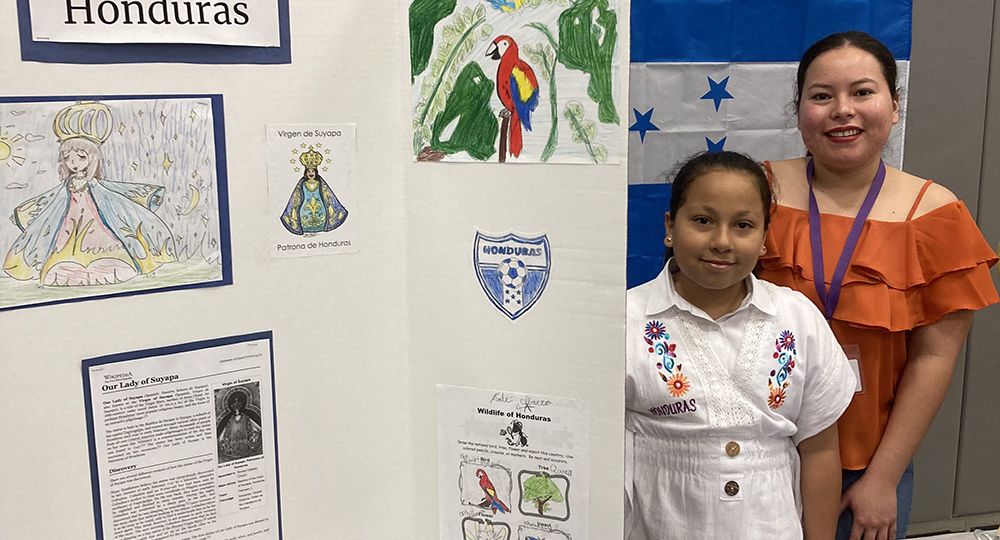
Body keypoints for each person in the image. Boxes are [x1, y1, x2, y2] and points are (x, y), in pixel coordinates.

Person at [758, 31, 1000, 540]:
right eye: (822, 96)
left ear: (894, 106)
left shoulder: (935, 215)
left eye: (863, 92)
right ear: (799, 109)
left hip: (863, 465)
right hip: (750, 450)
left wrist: (883, 478)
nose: (842, 110)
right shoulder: (756, 194)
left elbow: (934, 359)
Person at [625, 151, 857, 539]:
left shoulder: (797, 318)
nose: (721, 241)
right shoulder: (626, 321)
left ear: (765, 238)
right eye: (702, 221)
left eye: (743, 225)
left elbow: (819, 453)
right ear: (670, 225)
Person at [4, 101, 176, 286]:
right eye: (67, 158)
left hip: (96, 219)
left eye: (81, 157)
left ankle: (107, 263)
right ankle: (66, 266)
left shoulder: (96, 186)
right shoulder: (66, 187)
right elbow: (51, 201)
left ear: (93, 158)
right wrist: (26, 212)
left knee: (102, 240)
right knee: (64, 243)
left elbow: (115, 195)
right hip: (70, 218)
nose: (74, 163)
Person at [280, 146, 348, 236]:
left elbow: (328, 196)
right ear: (306, 173)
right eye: (309, 171)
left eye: (313, 171)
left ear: (316, 172)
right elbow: (296, 198)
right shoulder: (302, 184)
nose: (311, 173)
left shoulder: (320, 183)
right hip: (304, 212)